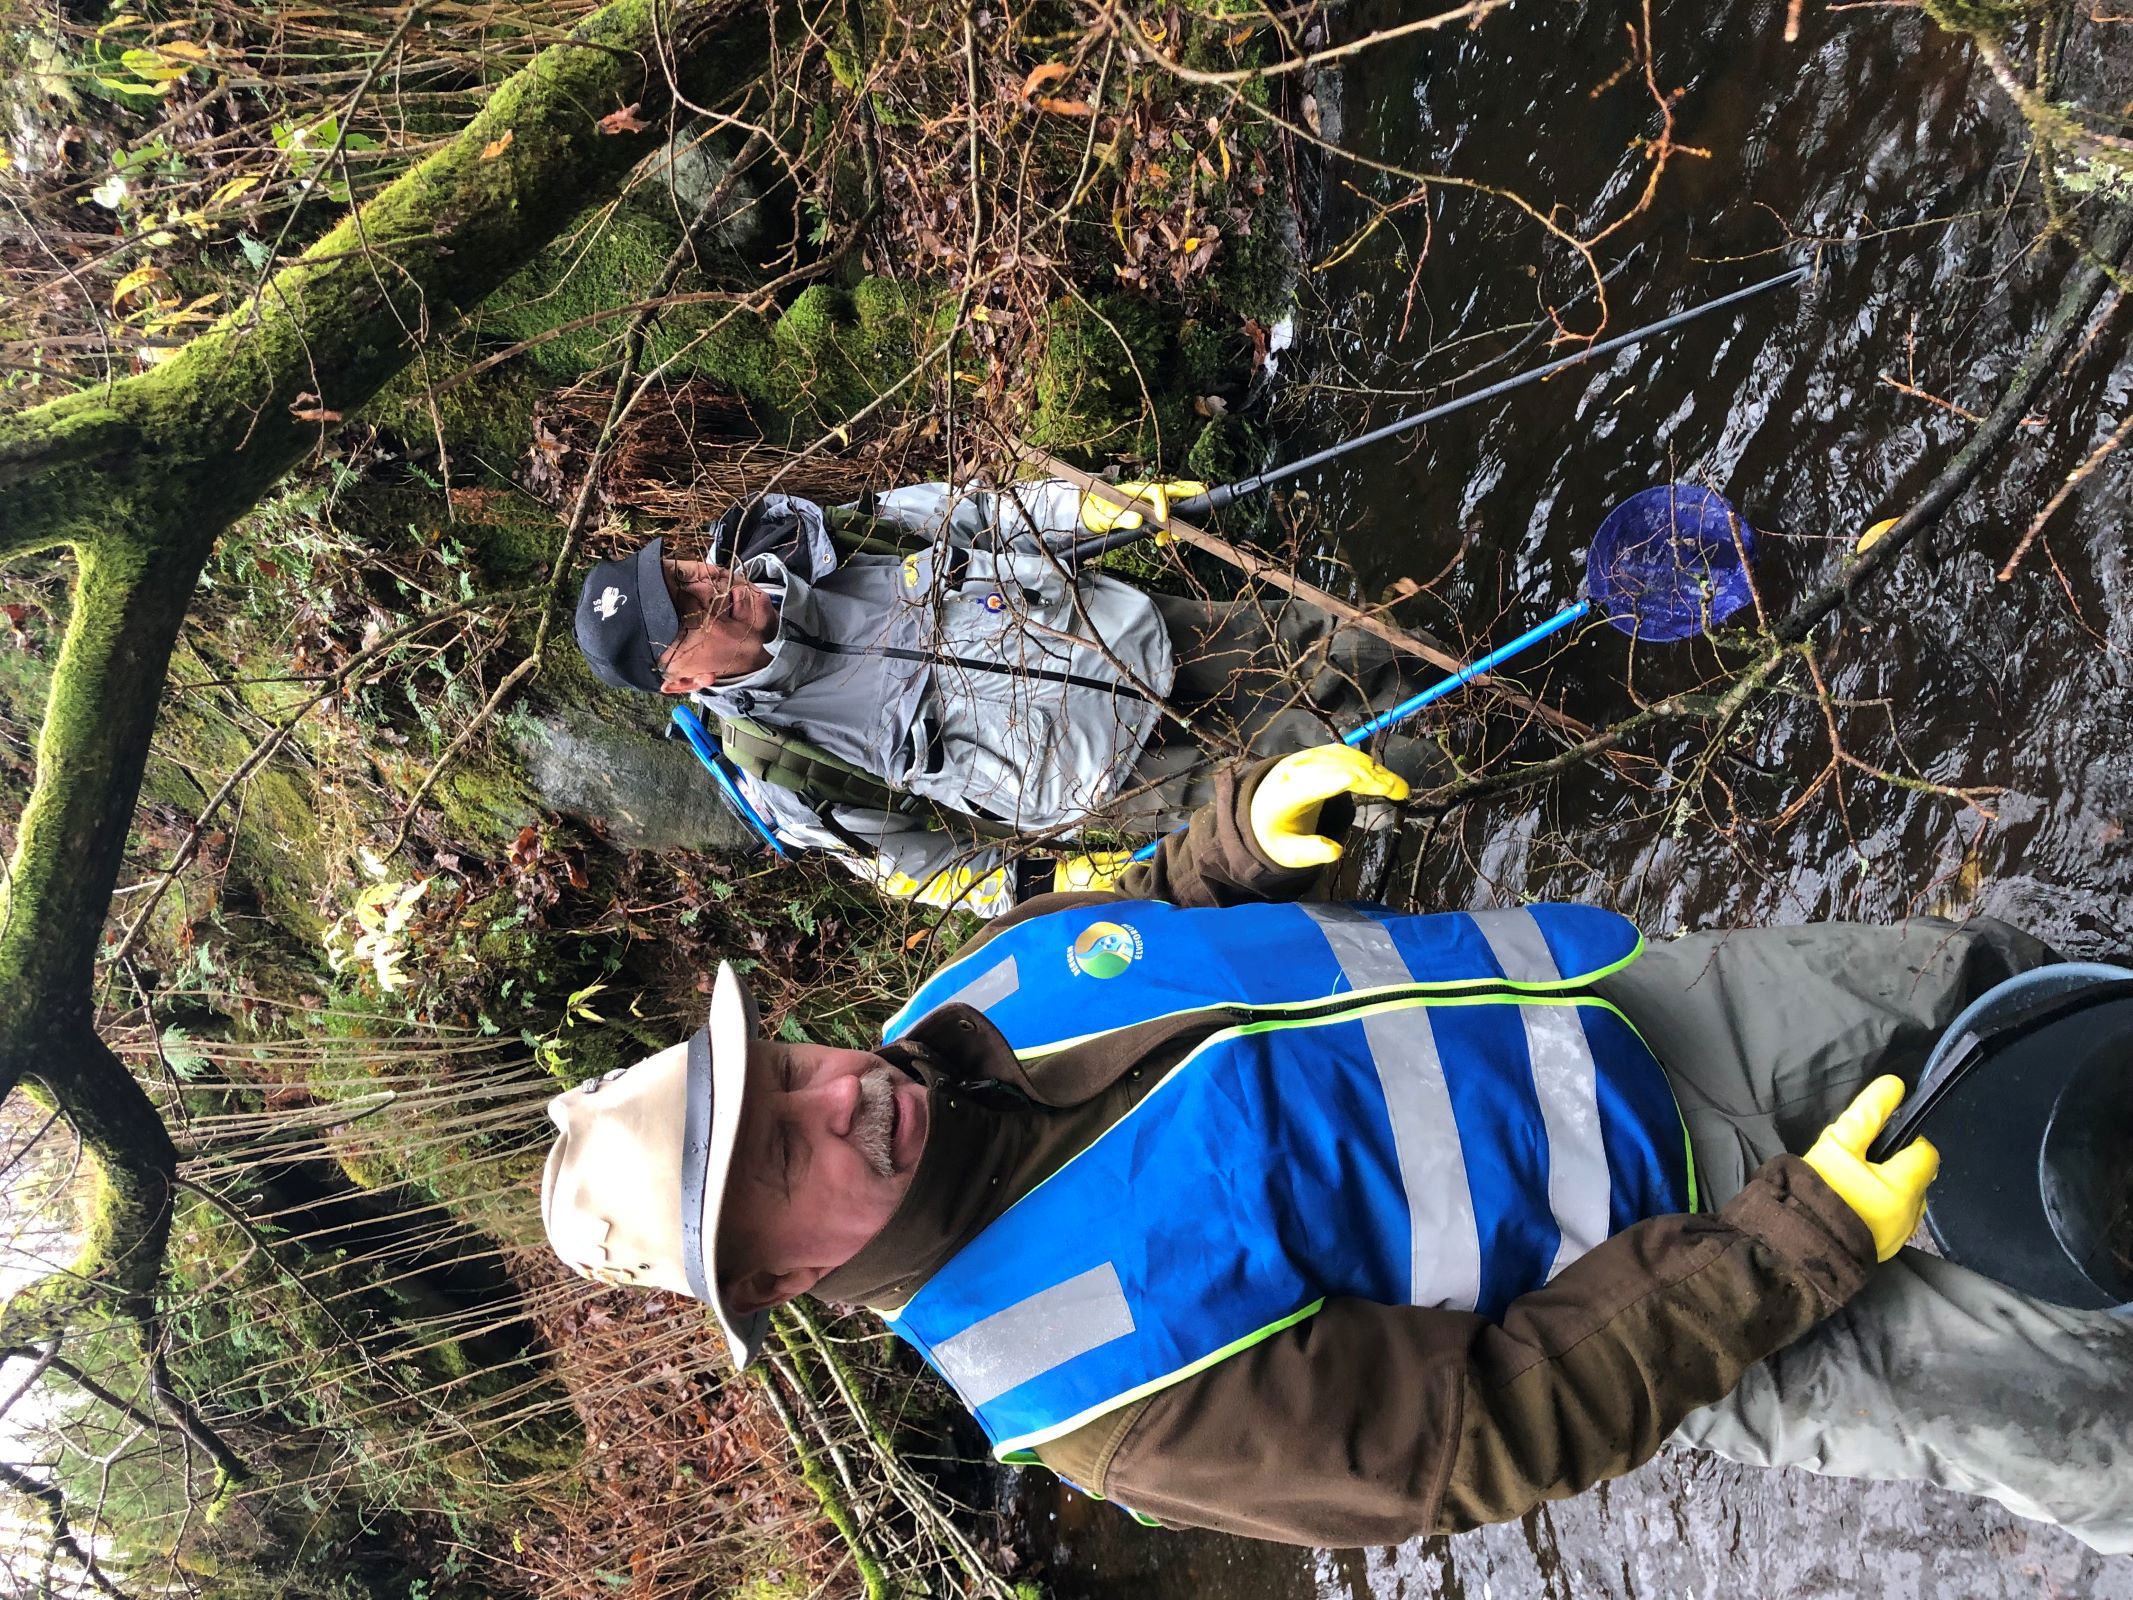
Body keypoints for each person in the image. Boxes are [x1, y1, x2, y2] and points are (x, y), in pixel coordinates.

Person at [540, 742, 2133, 1553]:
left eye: (778, 1073)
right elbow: (1484, 1436)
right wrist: (1790, 1246)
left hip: (1647, 1012)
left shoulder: (966, 990)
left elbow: (1144, 916)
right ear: (782, 1273)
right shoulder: (1089, 1398)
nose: (835, 1095)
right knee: (2097, 1420)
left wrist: (1243, 830)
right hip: (1714, 1287)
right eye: (778, 1157)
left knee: (1998, 999)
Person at [572, 478, 1440, 916]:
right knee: (1356, 778)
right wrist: (1066, 879)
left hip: (1142, 629)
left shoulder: (809, 535)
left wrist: (1097, 509)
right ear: (679, 680)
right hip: (1128, 775)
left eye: (683, 571)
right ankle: (1490, 771)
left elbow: (981, 512)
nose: (708, 587)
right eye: (684, 613)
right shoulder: (786, 774)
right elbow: (937, 872)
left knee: (1360, 652)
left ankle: (1519, 685)